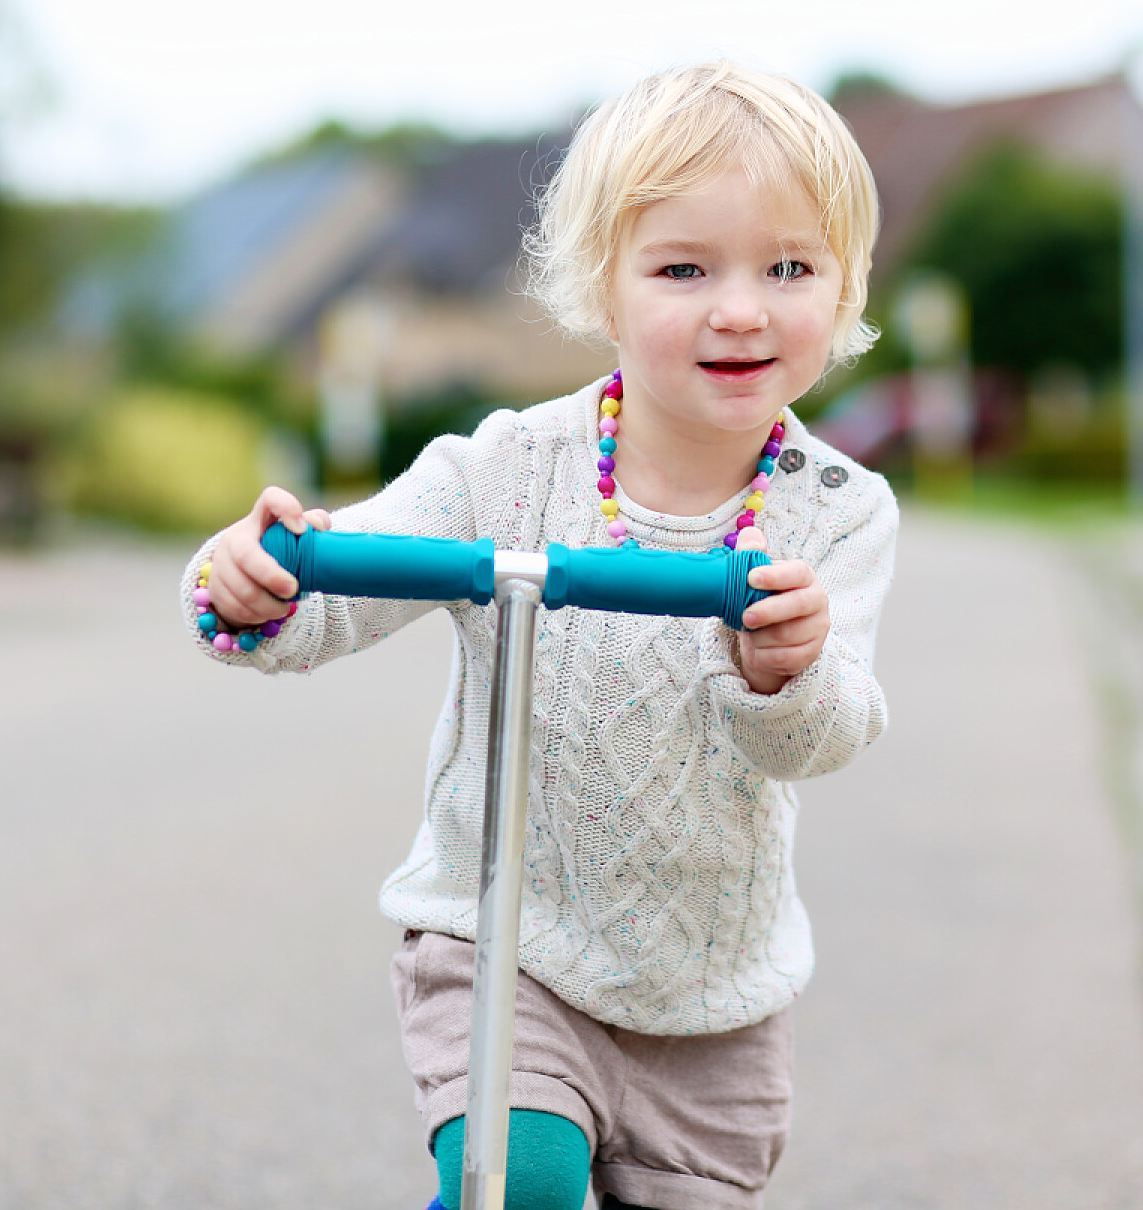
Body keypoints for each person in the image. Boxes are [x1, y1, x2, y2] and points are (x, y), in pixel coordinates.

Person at [182, 61, 898, 1210]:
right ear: (602, 293)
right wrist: (258, 582)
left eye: (790, 267)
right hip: (510, 938)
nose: (740, 307)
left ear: (846, 288)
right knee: (519, 1181)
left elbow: (831, 727)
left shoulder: (838, 507)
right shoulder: (508, 468)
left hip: (710, 993)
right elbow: (343, 579)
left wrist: (791, 673)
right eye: (682, 268)